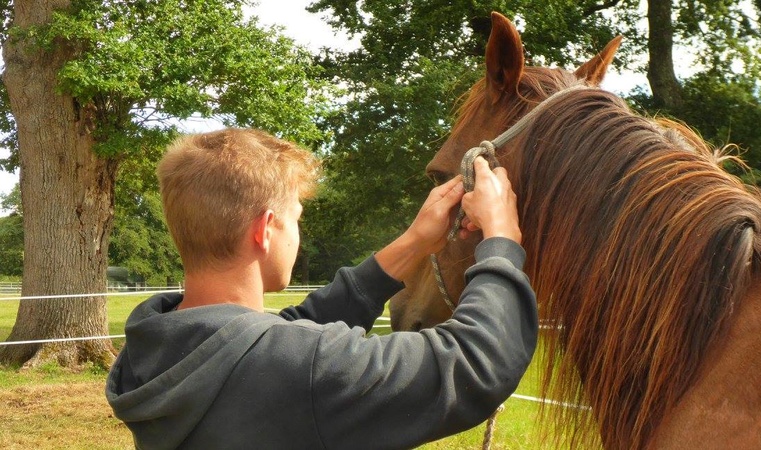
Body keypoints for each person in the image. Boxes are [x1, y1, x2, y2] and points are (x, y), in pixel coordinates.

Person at [105, 128, 538, 449]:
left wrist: (412, 243)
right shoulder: (303, 371)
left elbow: (275, 338)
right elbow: (473, 364)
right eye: (294, 217)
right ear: (266, 232)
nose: (298, 232)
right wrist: (501, 236)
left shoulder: (152, 346)